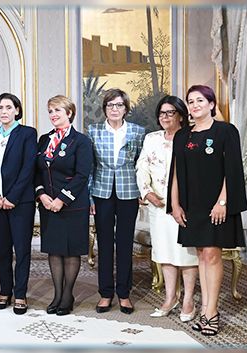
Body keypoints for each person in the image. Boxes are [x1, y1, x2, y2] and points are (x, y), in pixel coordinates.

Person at [167, 85, 247, 336]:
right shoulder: (182, 135)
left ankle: (211, 312)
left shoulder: (225, 131)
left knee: (212, 255)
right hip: (192, 206)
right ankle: (205, 310)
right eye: (190, 102)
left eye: (200, 100)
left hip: (217, 205)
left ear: (211, 104)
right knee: (201, 255)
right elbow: (176, 172)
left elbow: (232, 170)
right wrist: (175, 204)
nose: (194, 105)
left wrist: (222, 201)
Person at [136, 95, 199, 321]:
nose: (164, 117)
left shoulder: (191, 137)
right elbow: (141, 166)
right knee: (164, 252)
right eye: (161, 113)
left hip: (185, 206)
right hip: (158, 205)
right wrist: (147, 192)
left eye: (169, 112)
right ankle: (170, 297)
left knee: (186, 254)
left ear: (181, 115)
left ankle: (188, 301)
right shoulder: (152, 138)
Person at [86, 88, 145, 314]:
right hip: (101, 193)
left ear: (126, 108)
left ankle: (124, 293)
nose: (114, 109)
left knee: (124, 243)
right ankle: (105, 293)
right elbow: (90, 167)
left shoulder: (138, 132)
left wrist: (142, 190)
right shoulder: (93, 131)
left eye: (119, 105)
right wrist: (90, 195)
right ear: (104, 109)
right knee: (105, 244)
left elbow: (141, 164)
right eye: (110, 105)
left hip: (129, 192)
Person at [35, 95, 93, 316]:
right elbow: (37, 171)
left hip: (72, 206)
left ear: (69, 113)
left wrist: (61, 199)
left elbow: (82, 175)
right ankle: (57, 295)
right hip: (48, 205)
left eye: (58, 110)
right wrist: (41, 195)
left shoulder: (81, 141)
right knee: (54, 251)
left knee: (70, 252)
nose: (53, 115)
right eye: (50, 111)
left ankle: (68, 296)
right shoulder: (44, 139)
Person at [0, 93, 37, 315]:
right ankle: (5, 291)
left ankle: (20, 294)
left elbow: (28, 168)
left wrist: (12, 197)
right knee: (2, 250)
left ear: (16, 110)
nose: (4, 111)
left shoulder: (27, 134)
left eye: (8, 107)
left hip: (20, 202)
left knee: (22, 250)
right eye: (0, 108)